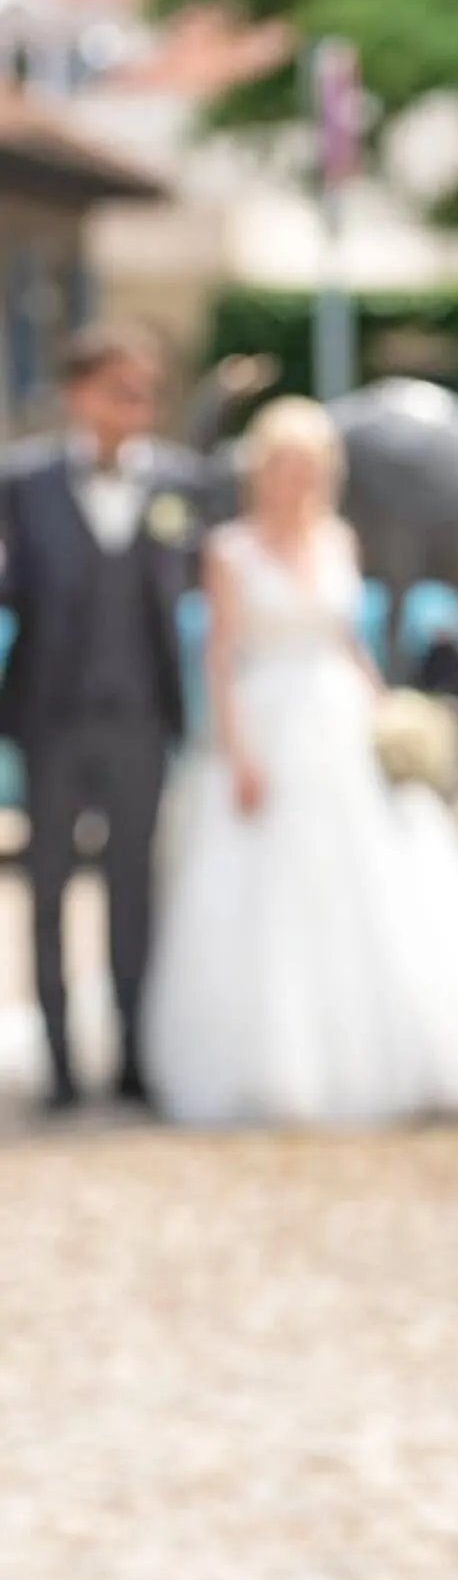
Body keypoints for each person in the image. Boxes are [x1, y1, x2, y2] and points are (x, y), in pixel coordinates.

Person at [143, 397, 458, 1126]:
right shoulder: (231, 550)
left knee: (389, 878)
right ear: (263, 471)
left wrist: (390, 717)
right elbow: (221, 659)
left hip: (339, 719)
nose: (298, 481)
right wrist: (236, 754)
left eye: (310, 468)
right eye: (286, 467)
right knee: (272, 891)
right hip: (268, 722)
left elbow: (350, 644)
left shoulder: (339, 541)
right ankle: (280, 1064)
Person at [0, 323, 211, 1111]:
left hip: (141, 720)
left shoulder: (180, 486)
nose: (138, 403)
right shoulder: (21, 484)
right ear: (78, 394)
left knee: (134, 893)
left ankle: (134, 1058)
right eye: (122, 387)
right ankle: (58, 1066)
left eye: (147, 389)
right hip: (49, 718)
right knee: (47, 890)